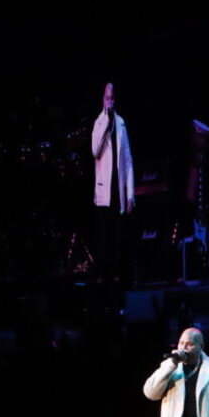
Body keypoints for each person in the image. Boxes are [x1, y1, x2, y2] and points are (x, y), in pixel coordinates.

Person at [90, 82, 135, 282]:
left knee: (118, 238)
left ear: (115, 100)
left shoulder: (122, 124)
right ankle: (101, 276)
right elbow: (94, 151)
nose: (109, 101)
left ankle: (118, 277)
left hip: (118, 190)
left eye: (112, 98)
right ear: (103, 100)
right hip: (103, 191)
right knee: (103, 237)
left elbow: (128, 161)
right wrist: (106, 125)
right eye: (106, 98)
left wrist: (130, 194)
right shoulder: (98, 123)